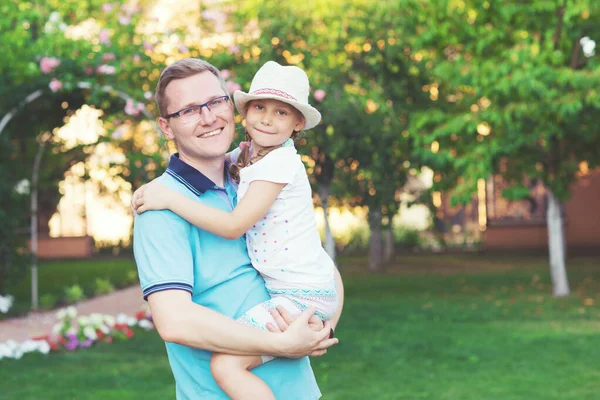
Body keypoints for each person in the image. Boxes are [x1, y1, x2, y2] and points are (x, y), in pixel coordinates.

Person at [132, 58, 343, 400]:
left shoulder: (252, 175)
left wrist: (321, 329)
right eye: (188, 110)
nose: (208, 117)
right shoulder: (159, 206)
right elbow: (174, 321)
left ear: (231, 108)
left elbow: (321, 267)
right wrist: (280, 343)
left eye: (215, 102)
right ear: (166, 127)